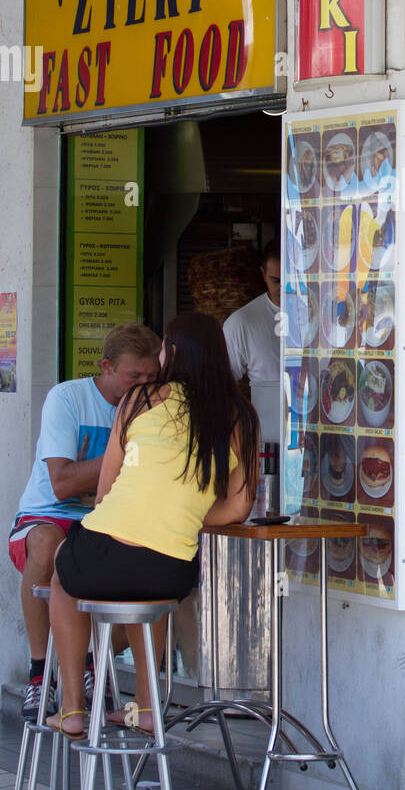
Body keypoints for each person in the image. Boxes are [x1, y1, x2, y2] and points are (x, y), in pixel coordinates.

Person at [46, 311, 259, 739]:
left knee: (60, 579)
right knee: (152, 594)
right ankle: (146, 706)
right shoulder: (241, 417)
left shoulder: (141, 399)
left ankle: (71, 708)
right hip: (171, 567)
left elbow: (106, 491)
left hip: (102, 551)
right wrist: (183, 514)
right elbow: (238, 508)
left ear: (173, 353)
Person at [8, 323, 160, 720]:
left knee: (162, 573)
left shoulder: (155, 404)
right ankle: (41, 672)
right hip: (49, 516)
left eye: (151, 376)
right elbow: (61, 484)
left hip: (111, 520)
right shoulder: (68, 398)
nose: (143, 385)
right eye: (134, 376)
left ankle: (89, 658)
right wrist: (123, 452)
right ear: (106, 367)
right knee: (50, 546)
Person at [223, 239, 281, 445]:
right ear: (262, 274)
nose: (283, 288)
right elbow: (222, 384)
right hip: (268, 438)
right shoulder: (242, 322)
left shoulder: (321, 313)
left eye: (290, 280)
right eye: (276, 280)